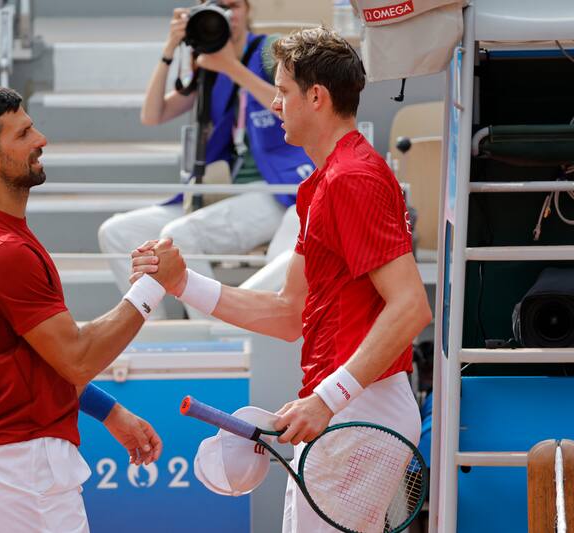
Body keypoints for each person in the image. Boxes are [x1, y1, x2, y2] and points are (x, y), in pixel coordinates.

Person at [131, 27, 433, 532]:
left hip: (362, 407)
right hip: (353, 403)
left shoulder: (351, 178)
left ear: (316, 97)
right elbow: (288, 312)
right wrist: (181, 283)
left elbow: (410, 308)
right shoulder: (322, 184)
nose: (273, 103)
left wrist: (327, 398)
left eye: (282, 91)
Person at [0, 86, 186, 533]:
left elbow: (49, 359)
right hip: (26, 461)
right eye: (24, 133)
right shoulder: (3, 250)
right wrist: (154, 287)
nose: (42, 139)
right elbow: (76, 357)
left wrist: (110, 411)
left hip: (23, 460)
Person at [98, 0, 315, 318]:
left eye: (233, 5)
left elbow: (293, 107)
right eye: (216, 6)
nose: (227, 15)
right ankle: (149, 329)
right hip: (228, 192)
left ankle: (218, 335)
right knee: (117, 232)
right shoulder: (208, 64)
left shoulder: (269, 50)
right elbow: (152, 114)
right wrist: (171, 48)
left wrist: (232, 66)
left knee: (181, 235)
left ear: (248, 9)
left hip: (279, 188)